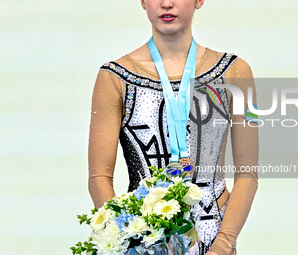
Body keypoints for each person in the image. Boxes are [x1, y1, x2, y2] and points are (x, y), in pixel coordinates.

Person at [88, 0, 259, 255]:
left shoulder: (236, 72)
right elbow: (99, 177)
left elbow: (248, 173)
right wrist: (126, 240)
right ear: (143, 1)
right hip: (144, 243)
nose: (167, 3)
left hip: (215, 237)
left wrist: (222, 246)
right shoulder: (113, 77)